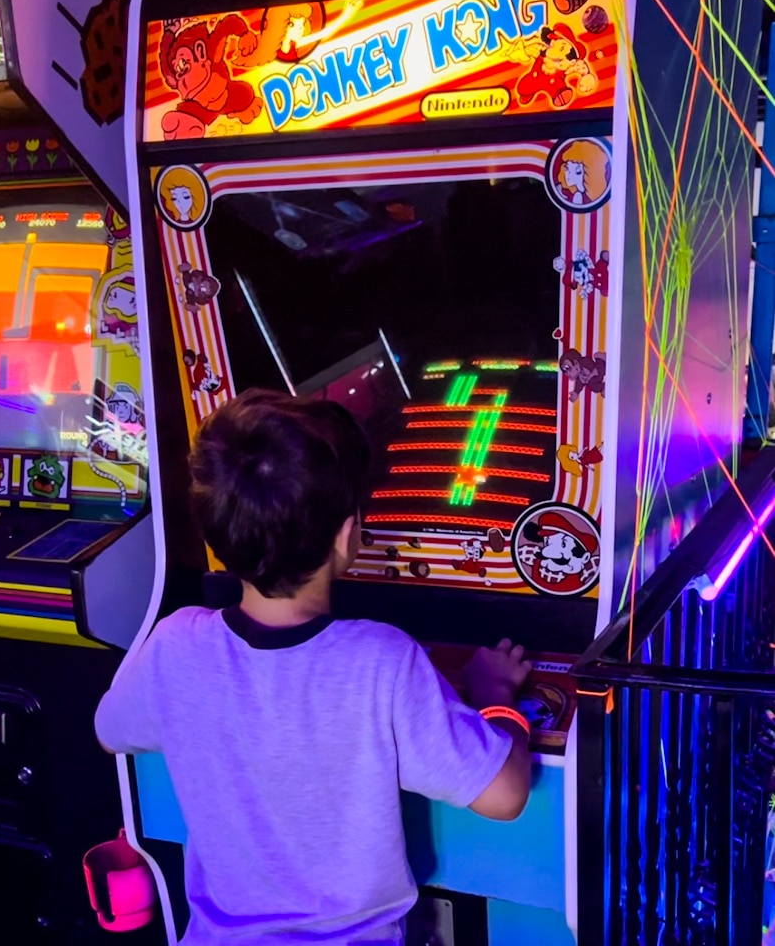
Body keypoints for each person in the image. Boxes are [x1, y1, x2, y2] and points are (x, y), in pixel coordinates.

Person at [95, 388, 532, 945]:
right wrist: (496, 697)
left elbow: (109, 732)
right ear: (348, 534)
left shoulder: (175, 644)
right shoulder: (382, 661)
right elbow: (506, 794)